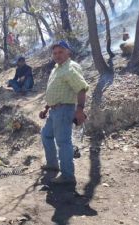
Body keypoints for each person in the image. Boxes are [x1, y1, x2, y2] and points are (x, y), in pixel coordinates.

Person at [39, 40, 89, 184]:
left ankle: (67, 176)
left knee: (63, 142)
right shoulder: (57, 68)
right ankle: (53, 164)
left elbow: (81, 88)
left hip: (64, 110)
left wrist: (80, 109)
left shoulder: (70, 67)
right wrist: (46, 108)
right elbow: (54, 90)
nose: (57, 55)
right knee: (46, 135)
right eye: (55, 53)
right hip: (54, 111)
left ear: (68, 52)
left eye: (61, 52)